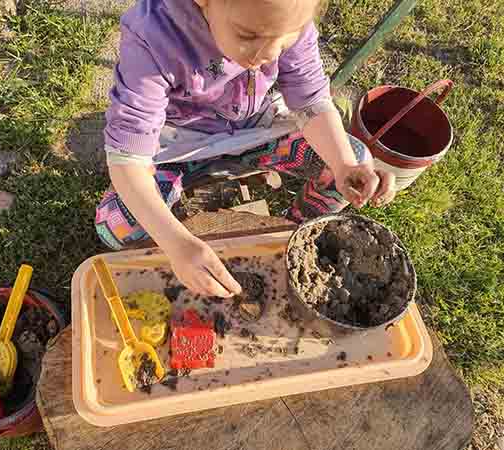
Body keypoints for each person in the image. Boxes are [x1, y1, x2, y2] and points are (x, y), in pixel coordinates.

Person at [95, 0, 396, 299]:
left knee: (353, 160)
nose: (267, 54)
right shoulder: (152, 35)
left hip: (256, 130)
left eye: (286, 35)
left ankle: (294, 238)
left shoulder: (285, 15)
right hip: (180, 146)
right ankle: (185, 238)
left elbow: (310, 102)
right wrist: (177, 244)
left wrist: (343, 165)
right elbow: (128, 159)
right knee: (116, 227)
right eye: (248, 35)